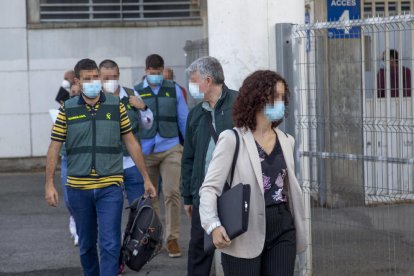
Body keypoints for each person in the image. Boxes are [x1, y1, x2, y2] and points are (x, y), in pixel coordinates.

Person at [45, 58, 156, 276]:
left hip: (110, 187)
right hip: (79, 189)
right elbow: (54, 147)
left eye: (95, 77)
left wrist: (146, 177)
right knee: (87, 245)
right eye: (87, 79)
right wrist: (49, 183)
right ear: (78, 81)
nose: (93, 82)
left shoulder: (116, 106)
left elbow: (131, 142)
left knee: (110, 244)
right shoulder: (67, 109)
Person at [199, 70, 307, 276]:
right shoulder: (232, 139)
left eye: (283, 97)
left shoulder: (286, 140)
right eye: (275, 96)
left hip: (282, 226)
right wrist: (213, 225)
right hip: (244, 229)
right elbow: (209, 188)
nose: (280, 102)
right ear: (256, 99)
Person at [181, 56, 238, 276]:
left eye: (194, 80)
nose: (191, 85)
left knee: (236, 251)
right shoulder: (195, 114)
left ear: (208, 79)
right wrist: (188, 196)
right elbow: (189, 157)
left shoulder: (239, 104)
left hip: (234, 191)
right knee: (199, 253)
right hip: (203, 196)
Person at [134, 54, 188, 258]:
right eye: (152, 73)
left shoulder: (173, 89)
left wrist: (188, 145)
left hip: (171, 147)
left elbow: (183, 118)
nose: (155, 76)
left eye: (158, 73)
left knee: (172, 192)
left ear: (163, 70)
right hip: (146, 151)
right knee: (151, 196)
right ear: (146, 70)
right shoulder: (136, 92)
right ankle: (155, 239)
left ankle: (172, 238)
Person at [99, 59, 154, 204]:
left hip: (132, 162)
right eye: (106, 78)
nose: (111, 81)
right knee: (109, 209)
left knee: (140, 207)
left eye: (114, 77)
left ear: (119, 75)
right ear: (99, 78)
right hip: (106, 166)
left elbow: (147, 124)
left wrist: (143, 107)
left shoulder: (131, 94)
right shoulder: (95, 99)